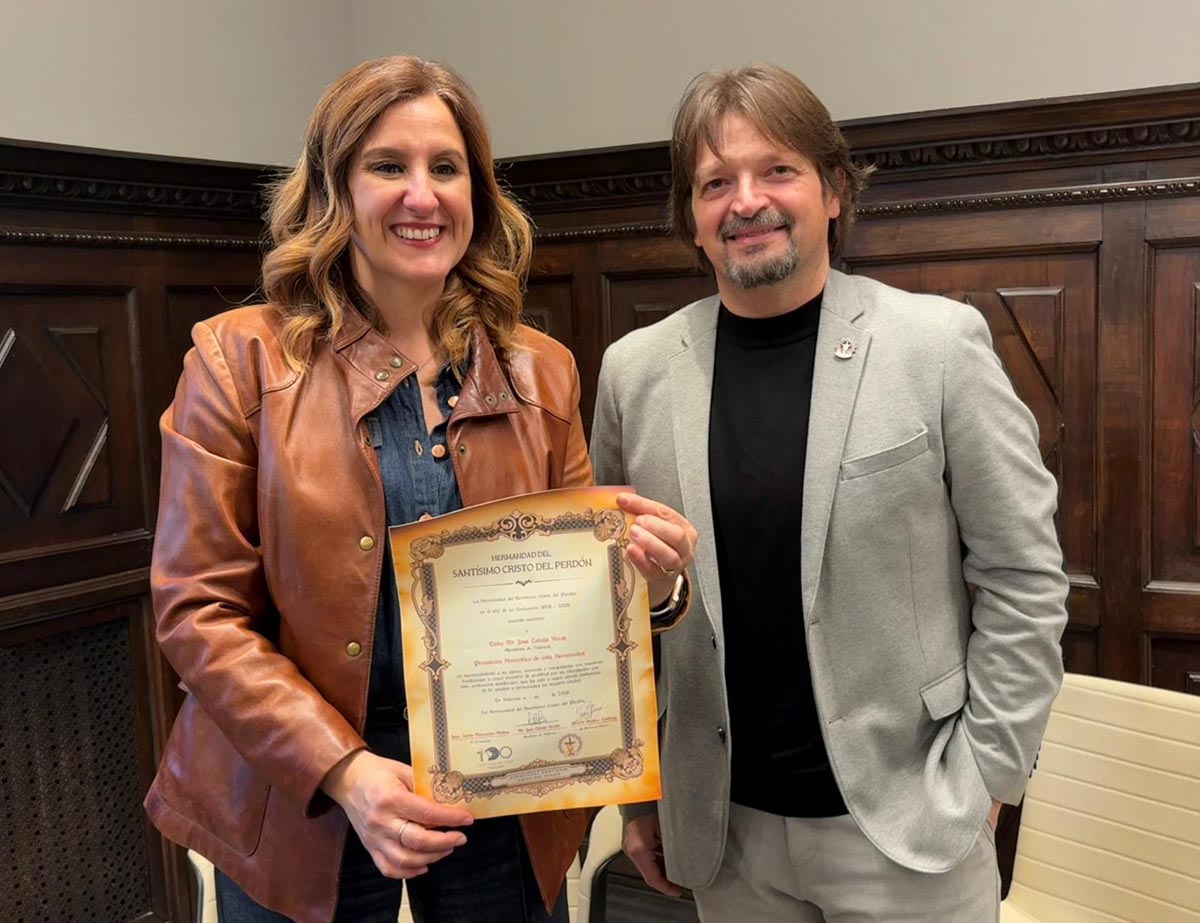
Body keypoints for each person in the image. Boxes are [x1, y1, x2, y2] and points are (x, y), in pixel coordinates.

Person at [144, 56, 694, 923]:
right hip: (300, 792)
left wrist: (652, 589)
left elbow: (585, 606)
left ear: (477, 190)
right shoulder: (235, 361)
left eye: (446, 167)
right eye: (387, 166)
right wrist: (346, 770)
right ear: (334, 188)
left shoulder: (540, 372)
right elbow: (196, 610)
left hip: (500, 779)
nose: (422, 194)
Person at [589, 63, 1069, 922]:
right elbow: (617, 614)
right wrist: (639, 800)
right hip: (723, 836)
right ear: (691, 218)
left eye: (777, 170)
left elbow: (1025, 578)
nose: (747, 201)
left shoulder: (937, 345)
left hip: (906, 829)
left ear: (834, 190)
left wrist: (989, 772)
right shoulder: (635, 374)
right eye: (714, 182)